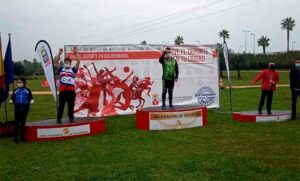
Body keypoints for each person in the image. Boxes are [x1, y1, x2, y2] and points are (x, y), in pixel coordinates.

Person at [54, 47, 80, 124]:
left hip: (71, 91)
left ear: (70, 63)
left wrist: (76, 54)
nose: (66, 62)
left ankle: (71, 118)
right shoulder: (61, 68)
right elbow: (56, 61)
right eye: (65, 61)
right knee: (61, 106)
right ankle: (59, 118)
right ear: (64, 62)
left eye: (68, 61)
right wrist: (59, 53)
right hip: (62, 91)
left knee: (71, 105)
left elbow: (78, 61)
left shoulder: (73, 69)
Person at [9, 77, 34, 143]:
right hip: (17, 107)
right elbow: (12, 98)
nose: (19, 83)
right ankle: (16, 138)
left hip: (25, 107)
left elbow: (31, 98)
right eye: (18, 82)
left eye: (20, 82)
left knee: (23, 122)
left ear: (24, 83)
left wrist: (31, 101)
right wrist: (11, 100)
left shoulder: (27, 90)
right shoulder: (15, 90)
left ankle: (22, 137)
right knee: (16, 122)